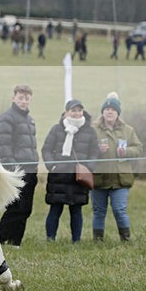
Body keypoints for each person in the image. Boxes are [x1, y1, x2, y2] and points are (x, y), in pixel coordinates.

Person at [41, 99, 99, 243]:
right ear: (67, 112)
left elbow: (94, 152)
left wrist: (88, 167)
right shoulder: (56, 129)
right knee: (55, 209)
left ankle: (76, 241)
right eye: (73, 110)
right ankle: (50, 239)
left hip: (78, 177)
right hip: (58, 176)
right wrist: (51, 166)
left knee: (76, 210)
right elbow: (46, 149)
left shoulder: (90, 131)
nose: (76, 113)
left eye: (79, 110)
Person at [92, 93, 143, 241]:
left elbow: (139, 149)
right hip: (99, 178)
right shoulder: (93, 130)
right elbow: (85, 150)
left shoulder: (128, 130)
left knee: (119, 209)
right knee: (98, 211)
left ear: (118, 113)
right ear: (102, 112)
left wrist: (126, 151)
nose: (110, 112)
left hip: (121, 178)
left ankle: (125, 239)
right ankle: (97, 239)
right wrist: (97, 150)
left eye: (113, 110)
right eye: (107, 109)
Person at [0, 85, 39, 246]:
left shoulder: (30, 120)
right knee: (16, 207)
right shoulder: (7, 118)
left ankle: (15, 241)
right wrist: (13, 168)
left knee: (26, 209)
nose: (23, 101)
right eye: (20, 98)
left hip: (31, 170)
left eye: (27, 98)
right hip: (17, 170)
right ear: (13, 98)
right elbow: (3, 145)